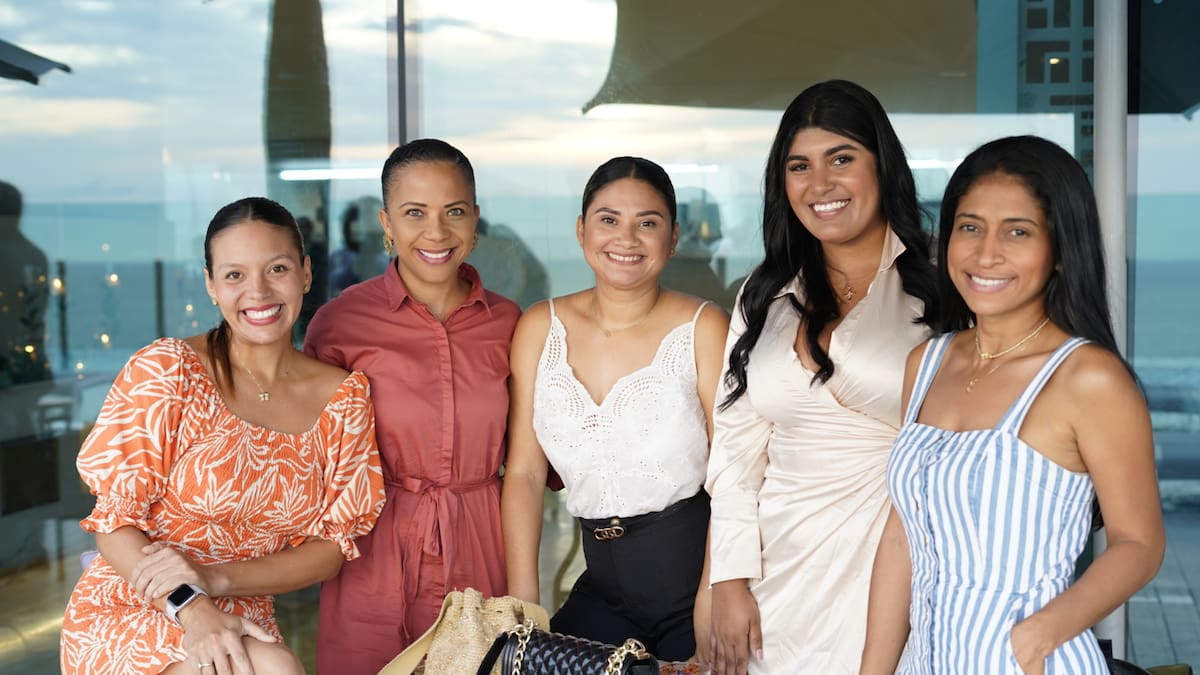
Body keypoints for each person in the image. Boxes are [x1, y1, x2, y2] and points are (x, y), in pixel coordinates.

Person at [860, 136, 1165, 674]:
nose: (986, 254)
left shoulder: (1087, 379)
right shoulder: (926, 363)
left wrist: (1039, 633)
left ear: (1061, 251)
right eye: (970, 226)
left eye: (1017, 232)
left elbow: (1138, 543)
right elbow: (900, 537)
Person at [59, 197, 385, 675]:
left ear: (306, 273)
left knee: (270, 665)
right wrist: (192, 604)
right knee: (272, 667)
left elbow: (330, 552)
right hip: (133, 605)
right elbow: (114, 524)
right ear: (211, 284)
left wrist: (213, 580)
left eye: (276, 268)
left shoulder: (344, 399)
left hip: (240, 611)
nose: (258, 291)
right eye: (234, 275)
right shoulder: (168, 372)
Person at [704, 79, 940, 674]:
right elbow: (736, 454)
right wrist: (728, 581)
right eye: (798, 166)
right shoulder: (764, 294)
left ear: (882, 165)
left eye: (842, 158)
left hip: (905, 569)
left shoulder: (943, 288)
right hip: (775, 577)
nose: (820, 184)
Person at [304, 138, 521, 674]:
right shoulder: (339, 324)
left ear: (475, 219)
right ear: (387, 223)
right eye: (414, 213)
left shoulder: (512, 324)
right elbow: (306, 459)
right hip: (372, 561)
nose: (436, 232)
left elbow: (533, 461)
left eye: (454, 212)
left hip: (482, 551)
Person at [502, 156, 729, 662]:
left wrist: (715, 597)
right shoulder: (541, 327)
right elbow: (521, 471)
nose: (626, 239)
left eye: (647, 223)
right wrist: (525, 604)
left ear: (672, 239)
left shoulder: (703, 327)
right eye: (608, 220)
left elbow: (733, 474)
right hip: (603, 587)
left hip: (694, 585)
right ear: (582, 230)